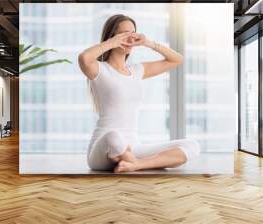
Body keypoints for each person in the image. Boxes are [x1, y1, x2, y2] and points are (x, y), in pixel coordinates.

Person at [78, 14, 201, 173]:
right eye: (124, 34)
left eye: (133, 33)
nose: (130, 38)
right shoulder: (99, 69)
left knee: (192, 146)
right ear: (112, 37)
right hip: (104, 149)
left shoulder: (137, 71)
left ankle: (135, 164)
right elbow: (83, 58)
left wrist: (148, 43)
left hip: (134, 146)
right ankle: (136, 162)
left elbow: (176, 59)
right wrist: (112, 43)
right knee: (113, 136)